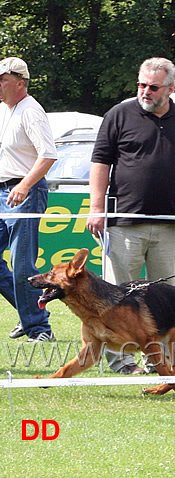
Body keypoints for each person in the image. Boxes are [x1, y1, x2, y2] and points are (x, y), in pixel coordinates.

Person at [86, 57, 175, 374]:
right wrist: (96, 208)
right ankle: (122, 362)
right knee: (115, 299)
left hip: (169, 226)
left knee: (167, 300)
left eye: (153, 86)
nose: (145, 91)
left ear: (171, 88)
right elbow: (100, 163)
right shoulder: (119, 114)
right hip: (123, 225)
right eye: (141, 84)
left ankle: (159, 364)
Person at [0, 57, 57, 342]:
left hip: (25, 192)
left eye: (2, 80)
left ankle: (39, 328)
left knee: (23, 265)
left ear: (20, 83)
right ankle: (30, 314)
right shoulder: (4, 110)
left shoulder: (31, 111)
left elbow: (48, 154)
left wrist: (24, 185)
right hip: (4, 191)